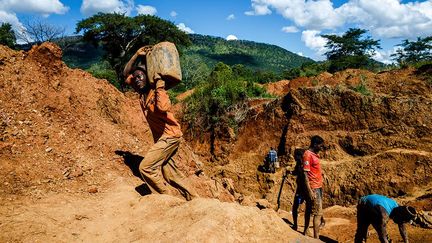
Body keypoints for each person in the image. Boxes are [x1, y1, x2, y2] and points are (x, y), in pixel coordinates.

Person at [123, 47, 197, 201]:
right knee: (170, 174)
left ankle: (166, 199)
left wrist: (159, 83)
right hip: (163, 139)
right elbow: (126, 73)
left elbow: (163, 107)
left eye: (140, 76)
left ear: (147, 77)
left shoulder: (156, 91)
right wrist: (137, 54)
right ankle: (194, 199)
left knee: (146, 168)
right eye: (135, 78)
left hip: (170, 136)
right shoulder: (141, 93)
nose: (137, 79)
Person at [302, 135, 325, 238]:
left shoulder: (314, 154)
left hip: (318, 186)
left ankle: (307, 231)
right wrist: (310, 191)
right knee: (318, 213)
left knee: (311, 209)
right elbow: (305, 174)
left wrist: (322, 174)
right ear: (315, 144)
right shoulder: (307, 155)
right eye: (320, 145)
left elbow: (314, 169)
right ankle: (316, 237)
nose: (321, 148)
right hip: (314, 187)